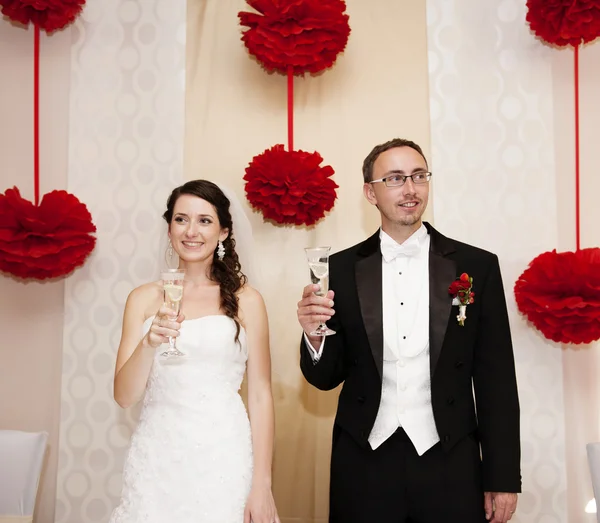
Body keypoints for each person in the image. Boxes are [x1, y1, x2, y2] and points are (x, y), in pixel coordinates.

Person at [296, 139, 521, 523]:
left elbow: (496, 379)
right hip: (363, 459)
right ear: (371, 192)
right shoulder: (338, 269)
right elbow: (324, 378)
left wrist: (502, 478)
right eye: (396, 178)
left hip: (450, 458)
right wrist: (314, 334)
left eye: (419, 176)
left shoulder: (476, 266)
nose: (410, 189)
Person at [110, 180, 280, 523]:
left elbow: (261, 395)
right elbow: (125, 397)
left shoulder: (248, 300)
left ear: (223, 232)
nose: (191, 230)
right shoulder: (142, 299)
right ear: (170, 226)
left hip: (224, 455)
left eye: (205, 220)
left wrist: (262, 484)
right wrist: (148, 344)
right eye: (181, 219)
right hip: (158, 456)